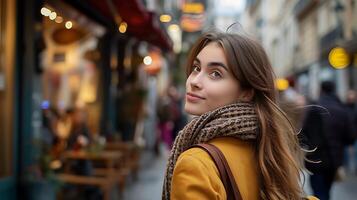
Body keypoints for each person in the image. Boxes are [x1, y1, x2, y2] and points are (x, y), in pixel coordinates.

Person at [162, 31, 316, 199]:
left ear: (246, 92)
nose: (194, 81)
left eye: (215, 73)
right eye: (196, 68)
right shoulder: (270, 151)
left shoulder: (196, 164)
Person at [302, 81, 355, 200]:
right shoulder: (342, 110)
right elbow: (350, 137)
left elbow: (303, 134)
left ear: (321, 90)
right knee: (326, 191)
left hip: (315, 160)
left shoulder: (314, 108)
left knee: (319, 193)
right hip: (333, 161)